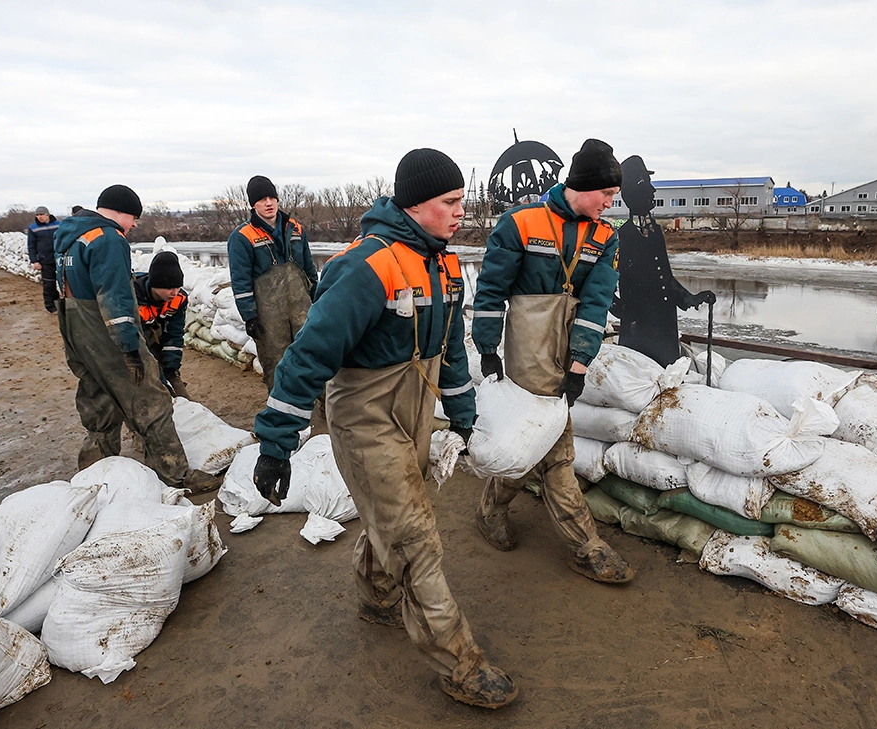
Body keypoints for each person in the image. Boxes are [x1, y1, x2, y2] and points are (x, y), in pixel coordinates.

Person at [251, 149, 517, 709]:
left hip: (416, 409)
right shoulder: (365, 266)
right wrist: (276, 444)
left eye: (461, 201)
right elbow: (308, 357)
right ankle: (459, 661)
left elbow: (451, 355)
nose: (460, 213)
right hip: (366, 416)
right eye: (450, 203)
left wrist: (465, 419)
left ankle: (375, 593)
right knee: (415, 535)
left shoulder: (443, 266)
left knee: (398, 515)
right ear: (415, 204)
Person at [471, 138, 635, 584]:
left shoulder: (606, 236)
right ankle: (585, 546)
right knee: (556, 450)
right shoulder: (519, 224)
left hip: (565, 346)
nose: (609, 203)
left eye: (613, 197)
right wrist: (487, 348)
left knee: (530, 439)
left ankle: (490, 510)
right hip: (526, 349)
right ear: (583, 185)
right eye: (606, 194)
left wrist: (580, 364)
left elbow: (596, 303)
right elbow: (490, 292)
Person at [54, 185, 220, 493]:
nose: (132, 227)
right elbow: (115, 296)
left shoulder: (69, 238)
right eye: (134, 219)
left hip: (77, 330)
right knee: (151, 400)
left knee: (98, 400)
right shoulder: (108, 239)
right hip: (106, 335)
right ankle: (176, 474)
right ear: (122, 211)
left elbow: (58, 290)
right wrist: (130, 347)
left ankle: (93, 480)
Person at [613, 155, 715, 367]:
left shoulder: (655, 232)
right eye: (647, 185)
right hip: (639, 330)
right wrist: (623, 311)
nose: (653, 191)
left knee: (667, 378)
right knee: (641, 378)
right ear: (633, 192)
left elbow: (664, 277)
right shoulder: (622, 237)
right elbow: (601, 283)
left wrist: (690, 299)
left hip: (663, 324)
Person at [226, 176, 318, 390]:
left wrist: (317, 299)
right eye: (261, 199)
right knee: (277, 364)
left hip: (301, 308)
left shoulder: (296, 230)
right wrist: (249, 316)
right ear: (253, 204)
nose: (268, 203)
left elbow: (309, 270)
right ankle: (282, 416)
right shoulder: (242, 237)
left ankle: (320, 406)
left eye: (271, 197)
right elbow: (241, 281)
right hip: (269, 316)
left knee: (311, 355)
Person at [134, 251, 190, 399]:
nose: (174, 292)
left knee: (177, 391)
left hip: (155, 329)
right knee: (152, 380)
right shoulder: (134, 298)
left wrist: (171, 368)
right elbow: (144, 345)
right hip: (135, 338)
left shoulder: (179, 299)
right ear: (155, 285)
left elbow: (174, 334)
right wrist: (160, 377)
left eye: (178, 287)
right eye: (169, 288)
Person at [27, 206, 60, 313]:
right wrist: (34, 261)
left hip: (59, 258)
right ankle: (51, 306)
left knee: (64, 283)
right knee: (49, 284)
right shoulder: (33, 228)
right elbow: (31, 246)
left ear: (47, 214)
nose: (39, 217)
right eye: (37, 215)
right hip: (45, 260)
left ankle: (63, 304)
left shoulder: (59, 225)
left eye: (41, 214)